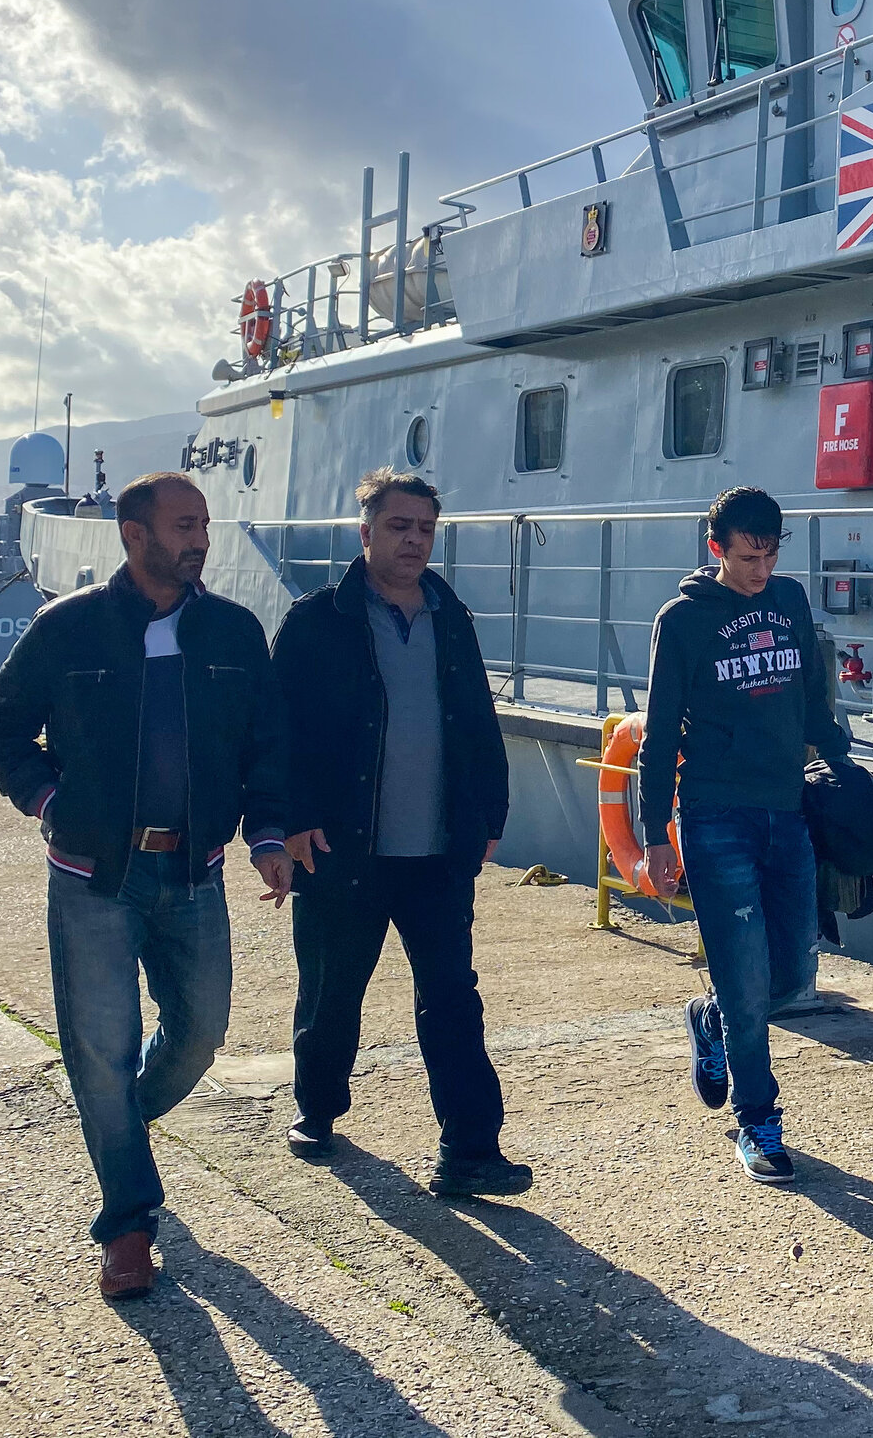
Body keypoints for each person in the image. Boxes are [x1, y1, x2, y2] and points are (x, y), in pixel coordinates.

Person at [0, 471, 292, 1301]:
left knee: (201, 1034)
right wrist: (52, 801)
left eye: (205, 525)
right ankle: (127, 1222)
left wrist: (265, 834)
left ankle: (121, 1129)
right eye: (184, 524)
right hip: (93, 878)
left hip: (196, 872)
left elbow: (266, 746)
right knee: (98, 1051)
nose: (200, 540)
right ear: (133, 532)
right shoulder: (66, 629)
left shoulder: (231, 631)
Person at [270, 469, 528, 1198]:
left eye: (424, 528)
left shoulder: (453, 616)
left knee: (451, 996)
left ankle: (470, 1148)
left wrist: (490, 815)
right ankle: (318, 1109)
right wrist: (288, 821)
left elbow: (478, 722)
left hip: (438, 852)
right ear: (366, 533)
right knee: (331, 990)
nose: (413, 539)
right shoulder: (317, 619)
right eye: (399, 526)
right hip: (342, 847)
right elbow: (276, 730)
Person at [637, 485, 850, 1184]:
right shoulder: (684, 620)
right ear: (717, 549)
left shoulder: (789, 600)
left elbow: (810, 700)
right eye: (748, 556)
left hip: (784, 809)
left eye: (770, 552)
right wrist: (656, 833)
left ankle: (712, 1016)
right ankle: (758, 1120)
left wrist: (843, 769)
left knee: (792, 973)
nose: (761, 569)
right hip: (713, 815)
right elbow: (661, 729)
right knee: (747, 977)